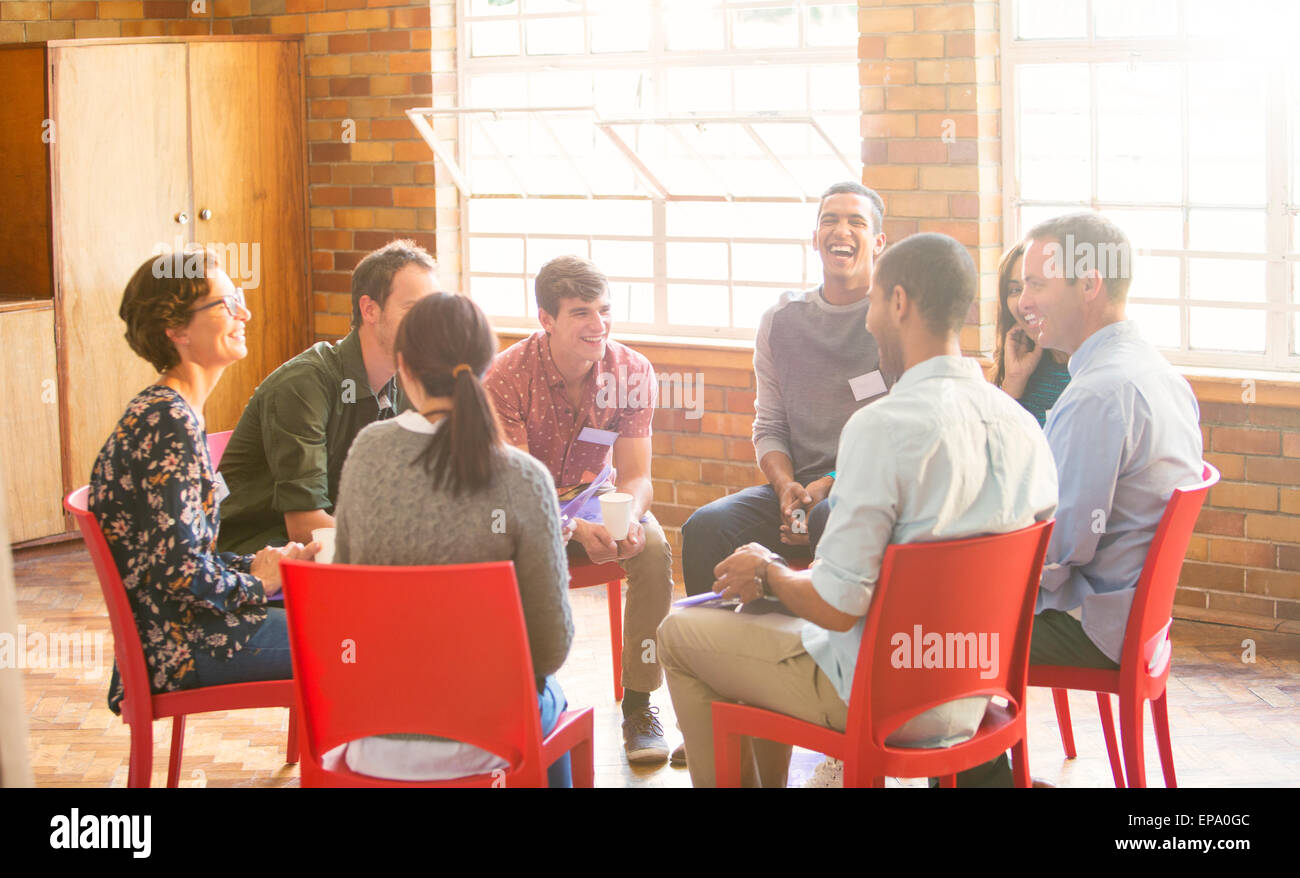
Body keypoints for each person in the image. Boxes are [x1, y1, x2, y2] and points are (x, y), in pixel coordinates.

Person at [657, 233, 1058, 787]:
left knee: (680, 635)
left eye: (872, 303)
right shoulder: (1025, 427)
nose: (868, 321)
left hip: (879, 696)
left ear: (897, 303)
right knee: (759, 621)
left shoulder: (881, 427)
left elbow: (838, 607)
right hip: (973, 693)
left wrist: (768, 571)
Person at [956, 212, 1202, 786]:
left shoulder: (1098, 393)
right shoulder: (1158, 373)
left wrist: (966, 556)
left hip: (1093, 624)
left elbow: (1056, 553)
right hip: (1136, 620)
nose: (1024, 302)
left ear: (1090, 284)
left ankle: (988, 781)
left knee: (938, 638)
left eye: (1038, 284)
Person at [331, 293, 575, 787]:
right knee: (556, 696)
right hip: (488, 740)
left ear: (403, 367)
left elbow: (345, 610)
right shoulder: (524, 478)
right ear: (488, 367)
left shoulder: (367, 454)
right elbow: (549, 649)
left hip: (375, 736)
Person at [89, 250, 317, 716]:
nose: (244, 312)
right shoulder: (166, 421)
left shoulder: (173, 412)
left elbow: (185, 556)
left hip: (189, 629)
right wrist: (257, 582)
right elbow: (179, 572)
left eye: (239, 298)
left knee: (346, 619)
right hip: (183, 646)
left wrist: (263, 563)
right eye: (226, 304)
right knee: (358, 646)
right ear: (177, 329)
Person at [483, 255, 676, 765]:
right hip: (525, 509)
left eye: (605, 310)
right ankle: (527, 702)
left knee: (654, 550)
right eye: (581, 313)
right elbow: (516, 491)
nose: (600, 326)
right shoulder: (506, 376)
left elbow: (637, 475)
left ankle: (639, 705)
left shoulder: (632, 370)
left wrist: (631, 517)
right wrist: (571, 527)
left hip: (600, 499)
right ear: (546, 319)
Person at [680, 182, 889, 598]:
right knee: (705, 527)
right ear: (815, 239)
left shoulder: (894, 320)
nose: (841, 230)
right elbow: (770, 425)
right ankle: (716, 651)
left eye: (856, 222)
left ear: (878, 242)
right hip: (798, 489)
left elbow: (898, 439)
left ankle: (826, 656)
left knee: (829, 518)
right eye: (829, 220)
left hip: (867, 491)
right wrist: (785, 489)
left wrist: (830, 483)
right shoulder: (780, 321)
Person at [217, 240, 438, 554]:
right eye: (414, 309)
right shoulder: (303, 385)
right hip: (258, 558)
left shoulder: (404, 383)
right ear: (370, 310)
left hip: (333, 554)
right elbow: (305, 525)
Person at [989, 241, 1070, 426]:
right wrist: (1014, 380)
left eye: (1037, 285)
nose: (1023, 302)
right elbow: (995, 445)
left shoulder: (1087, 368)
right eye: (1015, 290)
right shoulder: (1020, 364)